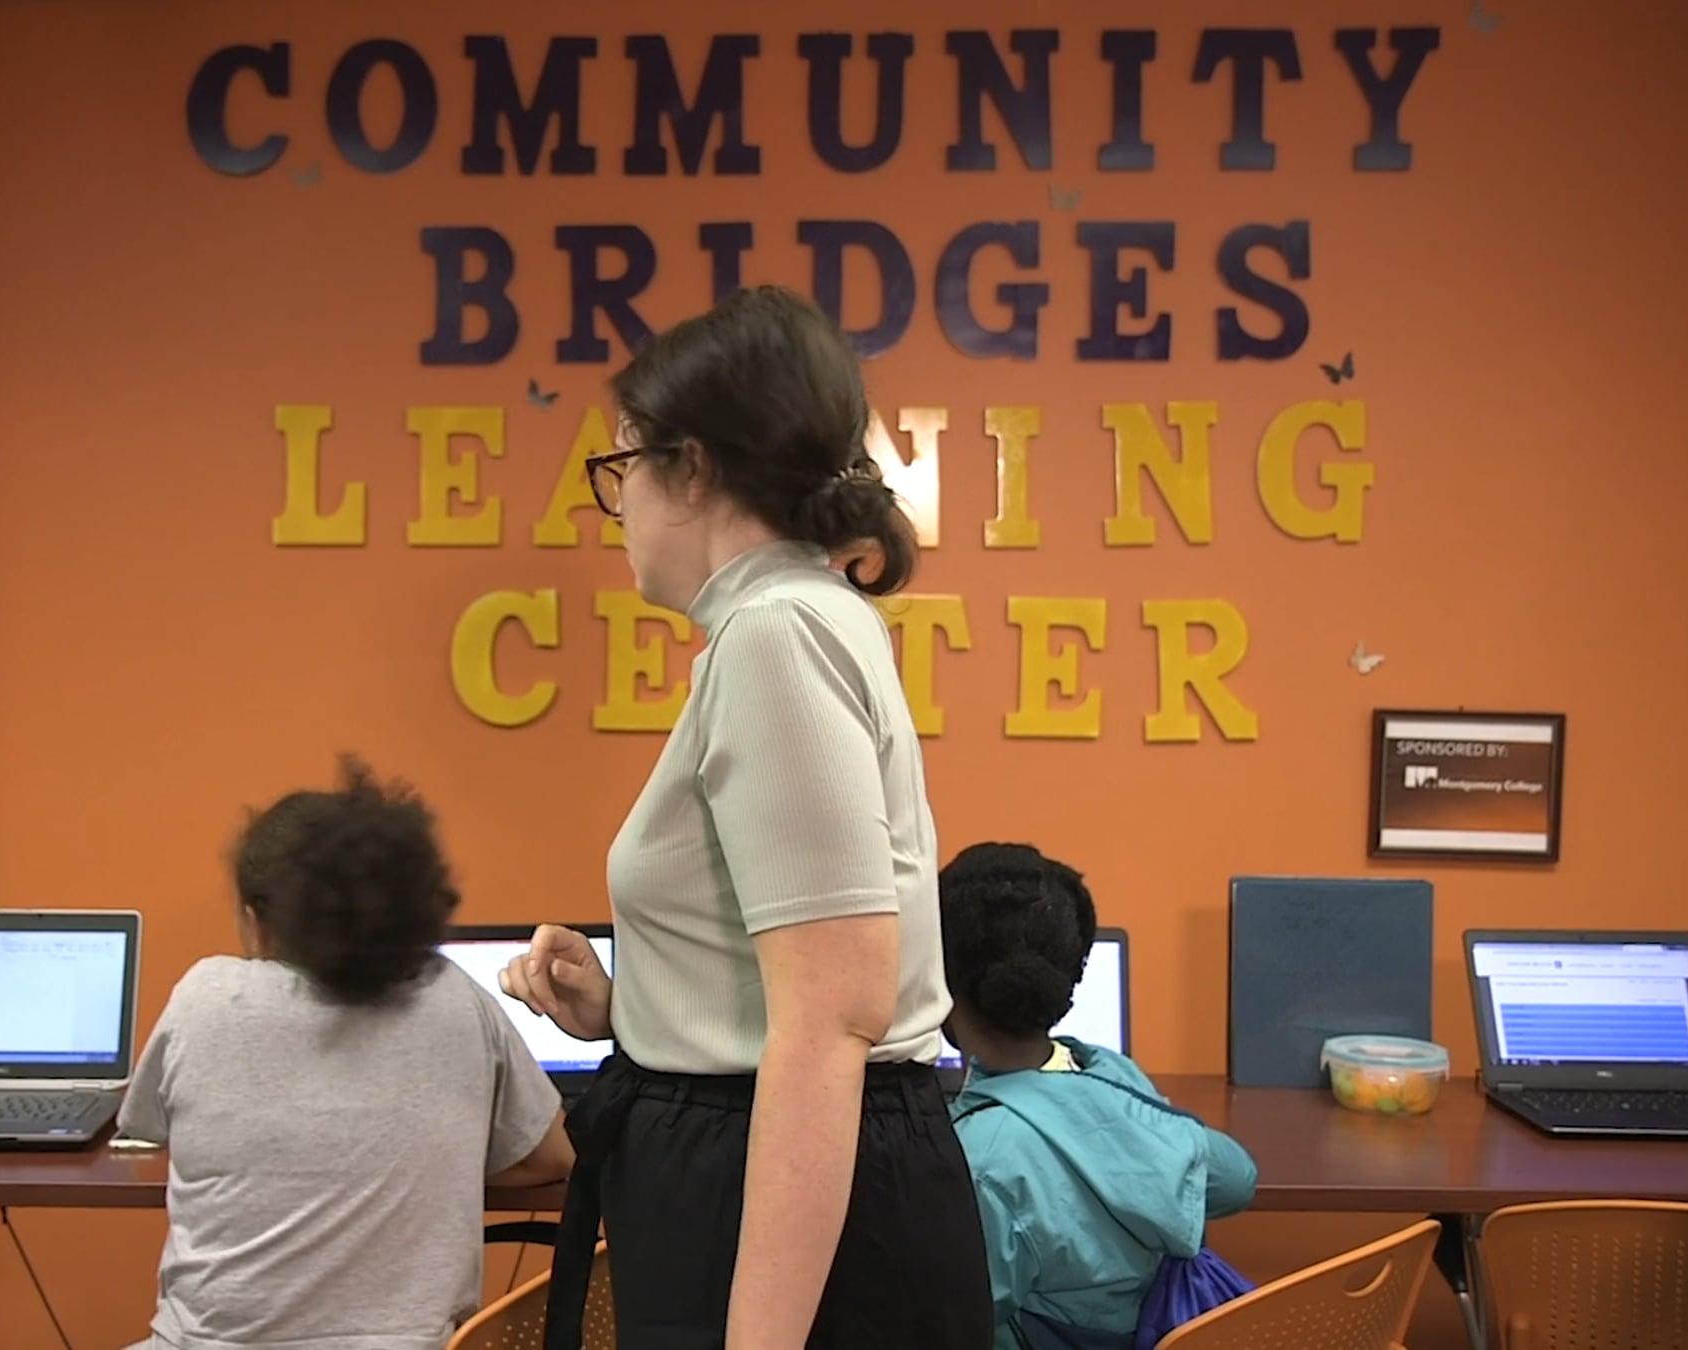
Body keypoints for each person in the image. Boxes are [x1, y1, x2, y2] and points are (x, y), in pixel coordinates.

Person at [499, 284, 990, 1350]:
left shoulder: (776, 634)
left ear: (694, 466)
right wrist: (637, 1007)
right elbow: (807, 988)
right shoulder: (801, 620)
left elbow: (830, 1021)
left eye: (623, 465)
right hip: (771, 1146)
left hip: (783, 1174)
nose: (617, 505)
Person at [116, 757, 574, 1350]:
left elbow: (148, 1131)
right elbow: (553, 1156)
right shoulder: (454, 995)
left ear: (256, 921)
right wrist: (433, 1164)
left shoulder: (205, 996)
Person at [937, 842, 1259, 1349]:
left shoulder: (980, 1158)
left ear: (939, 983)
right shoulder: (1113, 1075)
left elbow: (965, 1318)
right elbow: (1237, 1180)